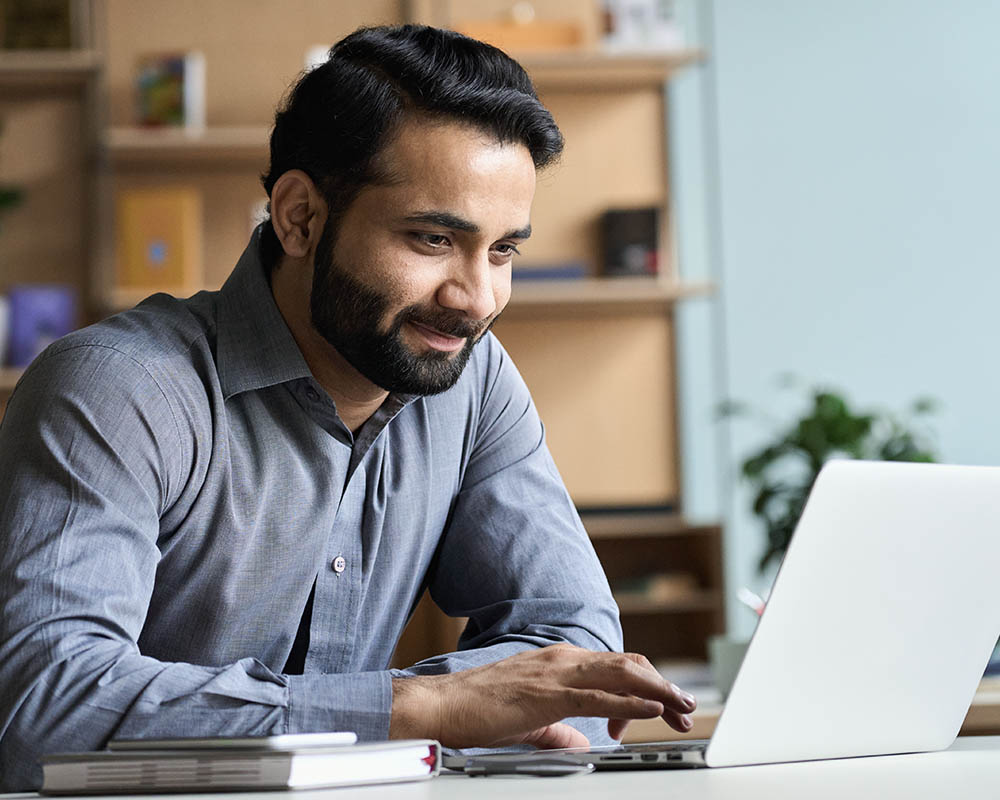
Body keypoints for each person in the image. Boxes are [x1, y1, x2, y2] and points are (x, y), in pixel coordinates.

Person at [0, 24, 695, 791]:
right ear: (299, 217)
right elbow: (46, 709)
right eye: (433, 239)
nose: (477, 299)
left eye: (503, 252)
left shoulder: (473, 378)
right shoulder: (116, 389)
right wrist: (418, 707)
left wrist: (438, 710)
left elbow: (576, 639)